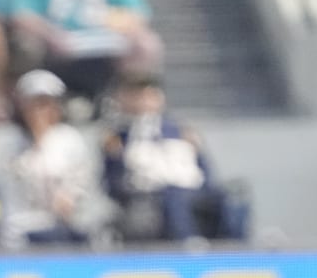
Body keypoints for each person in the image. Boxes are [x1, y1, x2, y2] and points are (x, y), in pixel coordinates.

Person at [101, 70, 247, 244]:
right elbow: (113, 182)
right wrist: (116, 157)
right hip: (151, 195)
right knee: (174, 198)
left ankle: (236, 251)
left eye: (149, 94)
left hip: (193, 191)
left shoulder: (182, 131)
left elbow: (205, 172)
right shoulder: (118, 137)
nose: (145, 100)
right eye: (137, 95)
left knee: (232, 200)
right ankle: (187, 248)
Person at [10, 0, 161, 104]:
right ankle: (30, 106)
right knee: (26, 45)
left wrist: (114, 23)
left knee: (146, 44)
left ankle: (134, 108)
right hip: (51, 42)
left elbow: (138, 12)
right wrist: (50, 35)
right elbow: (21, 14)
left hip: (104, 42)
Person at [0, 69, 108, 248]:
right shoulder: (12, 145)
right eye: (33, 104)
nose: (39, 111)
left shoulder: (70, 140)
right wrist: (37, 141)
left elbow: (81, 182)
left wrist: (69, 197)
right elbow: (15, 184)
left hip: (63, 226)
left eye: (46, 104)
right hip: (23, 228)